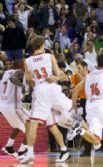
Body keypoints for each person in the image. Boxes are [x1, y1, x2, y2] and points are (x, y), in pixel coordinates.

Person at [21, 35, 72, 164]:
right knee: (52, 125)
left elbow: (29, 82)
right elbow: (59, 75)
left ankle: (30, 152)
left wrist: (31, 81)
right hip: (52, 89)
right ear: (43, 45)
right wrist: (55, 78)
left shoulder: (27, 61)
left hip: (40, 92)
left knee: (33, 123)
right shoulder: (50, 56)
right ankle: (64, 149)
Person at [0, 68, 29, 158]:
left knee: (17, 126)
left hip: (3, 106)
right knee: (32, 125)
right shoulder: (19, 71)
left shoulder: (4, 72)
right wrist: (22, 86)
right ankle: (22, 151)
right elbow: (12, 78)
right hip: (14, 107)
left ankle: (9, 146)